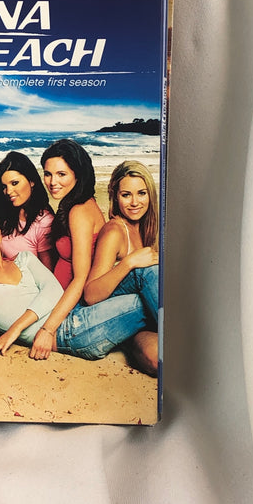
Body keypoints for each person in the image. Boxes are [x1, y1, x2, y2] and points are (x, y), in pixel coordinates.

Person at [0, 212, 152, 371]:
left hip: (74, 310)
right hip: (70, 333)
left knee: (144, 273)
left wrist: (14, 330)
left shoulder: (24, 259)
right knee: (141, 301)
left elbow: (54, 290)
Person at [27, 139, 106, 360]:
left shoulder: (79, 211)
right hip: (60, 301)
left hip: (71, 310)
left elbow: (80, 278)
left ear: (78, 175)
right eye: (48, 174)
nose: (52, 182)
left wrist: (48, 329)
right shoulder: (76, 204)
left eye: (61, 174)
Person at [84, 160, 160, 375]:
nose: (135, 202)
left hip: (146, 319)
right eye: (126, 195)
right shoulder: (115, 232)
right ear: (115, 196)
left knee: (163, 359)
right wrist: (129, 262)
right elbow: (90, 295)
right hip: (120, 321)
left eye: (141, 193)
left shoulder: (148, 228)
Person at [0, 151, 55, 270]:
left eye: (14, 183)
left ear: (31, 181)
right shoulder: (2, 215)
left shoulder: (44, 222)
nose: (8, 191)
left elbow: (48, 273)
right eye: (4, 187)